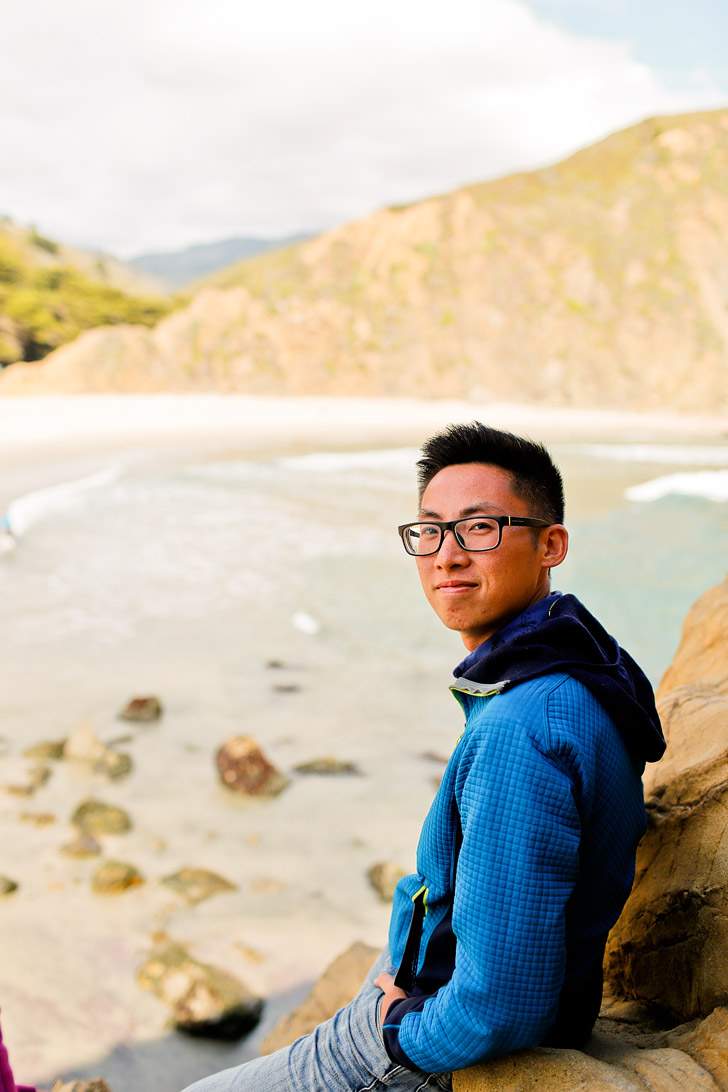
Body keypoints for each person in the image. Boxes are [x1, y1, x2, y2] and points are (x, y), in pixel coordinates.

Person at [181, 423, 665, 1092]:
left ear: (550, 544)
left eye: (479, 529)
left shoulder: (520, 731)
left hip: (418, 1050)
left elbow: (501, 1005)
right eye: (430, 531)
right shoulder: (580, 672)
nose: (446, 556)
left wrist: (395, 1032)